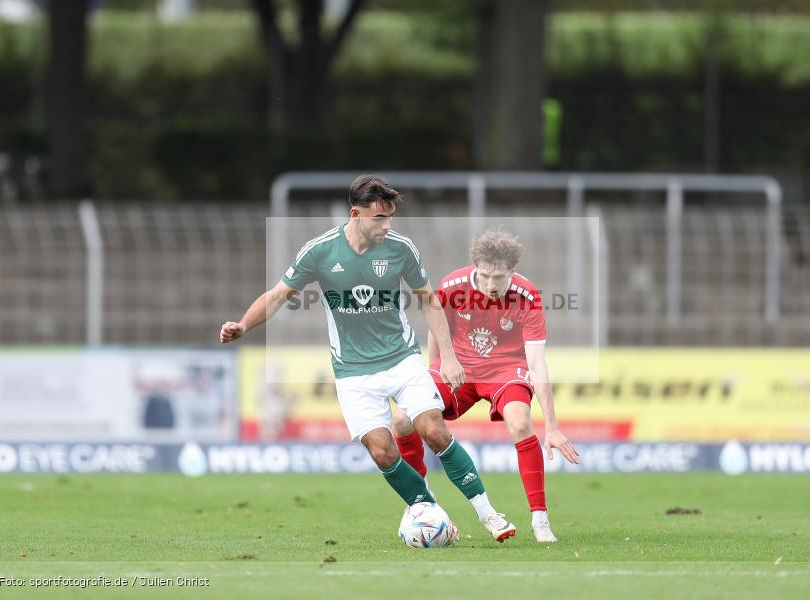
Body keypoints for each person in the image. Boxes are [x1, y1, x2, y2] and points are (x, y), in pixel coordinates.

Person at [219, 175, 516, 542]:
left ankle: (489, 515)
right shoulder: (320, 251)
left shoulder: (401, 248)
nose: (387, 226)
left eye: (390, 218)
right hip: (353, 371)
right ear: (355, 214)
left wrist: (449, 357)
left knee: (433, 430)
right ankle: (429, 510)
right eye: (379, 218)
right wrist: (243, 325)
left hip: (402, 359)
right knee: (381, 450)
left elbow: (428, 300)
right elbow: (279, 294)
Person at [392, 229, 580, 543]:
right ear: (475, 266)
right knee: (401, 419)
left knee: (520, 423)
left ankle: (540, 520)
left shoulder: (527, 295)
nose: (491, 285)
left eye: (499, 277)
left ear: (513, 272)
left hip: (506, 368)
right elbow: (436, 331)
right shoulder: (452, 286)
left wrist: (553, 426)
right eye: (485, 276)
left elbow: (537, 364)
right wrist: (434, 371)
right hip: (460, 365)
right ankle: (420, 502)